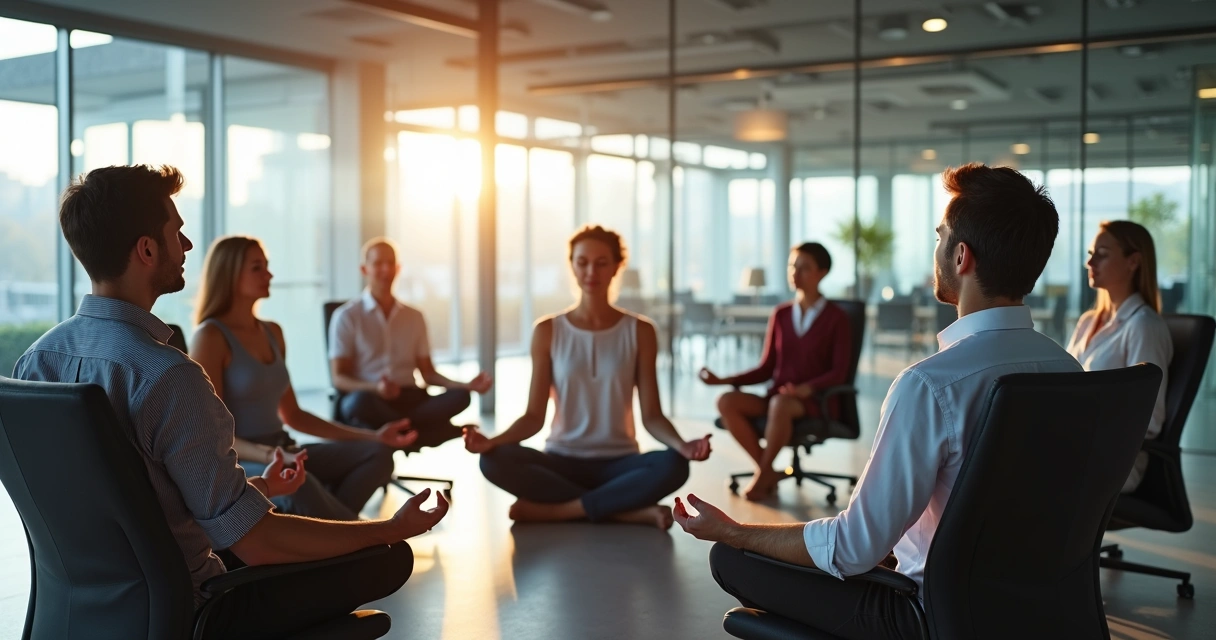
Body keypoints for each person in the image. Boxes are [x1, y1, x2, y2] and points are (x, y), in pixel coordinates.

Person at [15, 164, 447, 638]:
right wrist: (388, 528)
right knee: (389, 558)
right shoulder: (168, 376)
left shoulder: (35, 363)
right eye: (177, 233)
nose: (187, 246)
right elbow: (256, 544)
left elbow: (135, 508)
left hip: (81, 612)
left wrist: (258, 489)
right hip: (198, 610)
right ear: (147, 249)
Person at [673, 164, 1081, 639]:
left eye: (940, 237)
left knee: (731, 558)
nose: (936, 248)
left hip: (931, 617)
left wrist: (733, 531)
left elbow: (852, 548)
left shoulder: (931, 385)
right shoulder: (1068, 370)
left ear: (961, 256)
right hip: (1038, 612)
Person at [463, 225, 712, 529]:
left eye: (601, 263)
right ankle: (625, 511)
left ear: (616, 267)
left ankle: (555, 512)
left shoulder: (641, 331)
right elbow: (533, 417)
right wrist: (492, 442)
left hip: (620, 463)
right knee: (493, 460)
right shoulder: (547, 331)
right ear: (572, 265)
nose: (591, 271)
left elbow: (652, 416)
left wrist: (682, 445)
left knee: (674, 464)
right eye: (582, 262)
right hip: (561, 461)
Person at [191, 235, 417, 520]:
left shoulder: (272, 332)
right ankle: (360, 534)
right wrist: (270, 456)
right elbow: (212, 433)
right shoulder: (210, 337)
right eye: (257, 268)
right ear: (229, 274)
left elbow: (294, 415)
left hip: (284, 448)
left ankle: (334, 530)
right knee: (297, 480)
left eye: (267, 266)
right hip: (244, 458)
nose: (269, 275)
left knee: (378, 454)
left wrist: (374, 436)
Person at [700, 242, 852, 501]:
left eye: (804, 268)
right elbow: (766, 368)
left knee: (780, 403)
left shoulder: (837, 318)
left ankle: (762, 477)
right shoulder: (781, 314)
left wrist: (807, 388)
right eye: (792, 266)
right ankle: (767, 472)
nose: (795, 273)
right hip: (778, 398)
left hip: (815, 400)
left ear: (822, 273)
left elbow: (840, 372)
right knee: (726, 401)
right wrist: (723, 380)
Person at [329, 237, 492, 450]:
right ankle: (426, 431)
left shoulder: (414, 317)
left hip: (412, 400)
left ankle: (401, 431)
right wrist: (376, 388)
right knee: (357, 403)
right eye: (378, 263)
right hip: (371, 399)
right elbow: (339, 378)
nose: (386, 269)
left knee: (461, 397)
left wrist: (466, 385)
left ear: (398, 268)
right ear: (364, 269)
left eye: (390, 263)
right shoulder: (347, 316)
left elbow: (428, 374)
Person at [1067, 220, 1172, 492]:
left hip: (1115, 459)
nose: (1090, 263)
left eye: (1102, 254)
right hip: (1077, 443)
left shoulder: (1143, 326)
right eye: (1090, 254)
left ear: (1133, 261)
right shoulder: (1088, 321)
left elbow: (1150, 420)